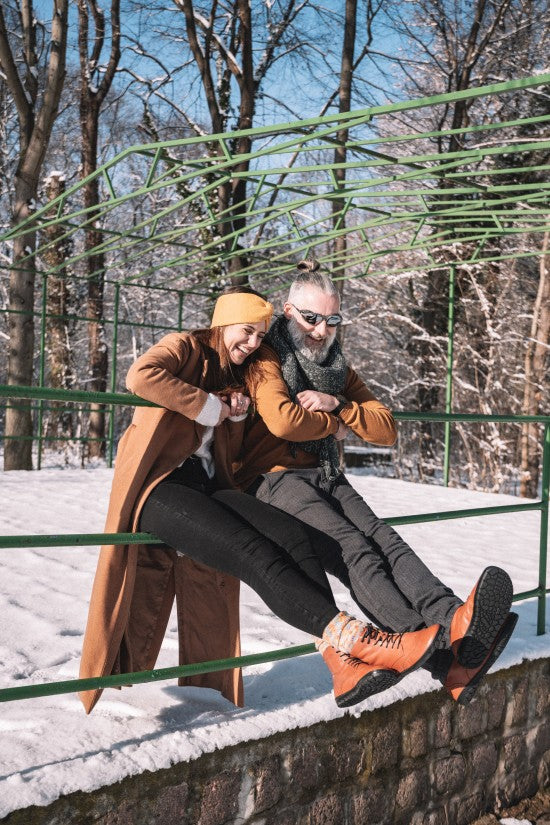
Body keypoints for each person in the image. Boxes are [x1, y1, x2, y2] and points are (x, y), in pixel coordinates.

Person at [79, 288, 443, 714]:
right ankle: (360, 641)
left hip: (209, 486)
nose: (252, 342)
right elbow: (141, 376)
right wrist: (208, 407)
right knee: (253, 553)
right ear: (223, 323)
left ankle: (342, 661)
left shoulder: (241, 371)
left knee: (292, 536)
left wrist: (317, 412)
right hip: (159, 487)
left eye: (259, 334)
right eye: (245, 331)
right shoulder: (184, 346)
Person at [235, 261, 517, 706]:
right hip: (274, 478)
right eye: (311, 318)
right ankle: (426, 644)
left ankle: (455, 626)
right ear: (287, 312)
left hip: (326, 472)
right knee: (354, 548)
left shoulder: (335, 367)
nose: (321, 331)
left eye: (332, 320)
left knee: (387, 541)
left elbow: (386, 429)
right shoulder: (267, 357)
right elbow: (283, 420)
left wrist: (338, 405)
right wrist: (336, 427)